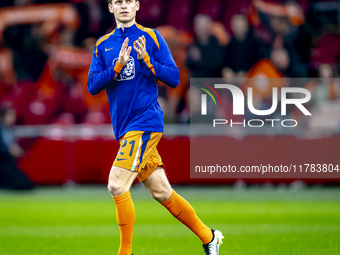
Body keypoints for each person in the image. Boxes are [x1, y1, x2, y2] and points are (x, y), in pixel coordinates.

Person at [87, 0, 223, 254]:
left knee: (117, 184)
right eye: (118, 2)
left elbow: (173, 77)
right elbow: (93, 85)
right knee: (161, 192)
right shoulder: (102, 45)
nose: (124, 6)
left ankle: (124, 253)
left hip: (145, 121)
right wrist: (116, 68)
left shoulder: (151, 37)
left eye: (129, 1)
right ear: (110, 7)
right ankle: (209, 236)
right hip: (125, 127)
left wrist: (149, 62)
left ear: (137, 5)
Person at [0, 104, 34, 190]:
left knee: (27, 183)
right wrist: (8, 150)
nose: (13, 117)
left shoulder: (11, 130)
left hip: (10, 163)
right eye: (10, 115)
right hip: (2, 163)